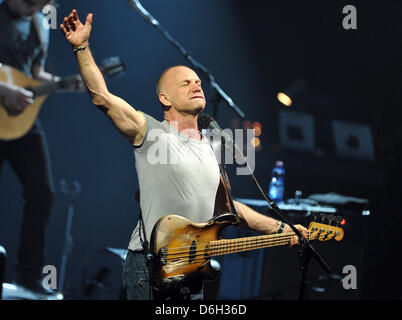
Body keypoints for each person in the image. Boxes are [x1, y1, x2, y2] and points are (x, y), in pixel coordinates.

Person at [60, 9, 308, 300]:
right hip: (149, 270)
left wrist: (282, 228)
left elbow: (230, 210)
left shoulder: (211, 150)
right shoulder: (151, 132)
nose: (197, 85)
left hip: (192, 274)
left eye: (198, 82)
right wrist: (81, 46)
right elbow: (102, 97)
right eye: (185, 83)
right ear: (165, 98)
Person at [0, 0, 83, 295]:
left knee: (42, 192)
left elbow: (35, 72)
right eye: (28, 2)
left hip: (21, 122)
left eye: (39, 4)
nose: (32, 9)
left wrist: (64, 83)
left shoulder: (38, 24)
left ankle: (29, 274)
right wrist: (6, 90)